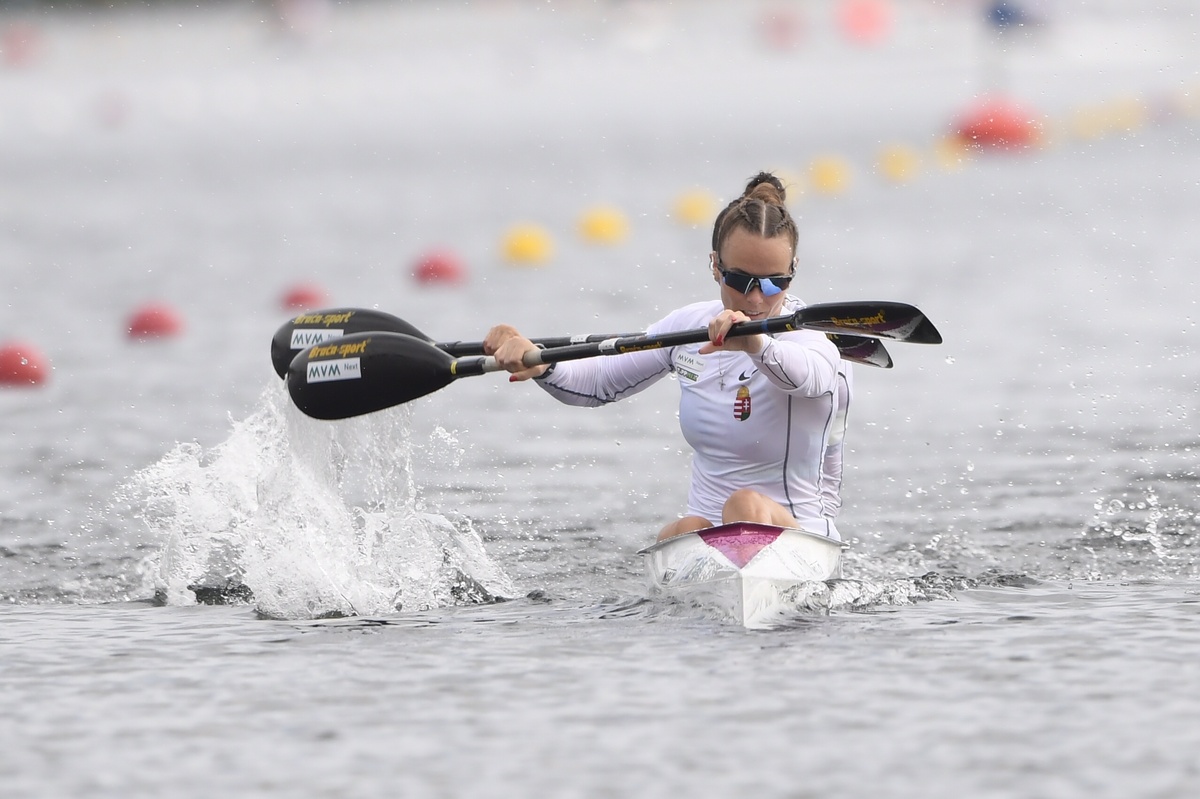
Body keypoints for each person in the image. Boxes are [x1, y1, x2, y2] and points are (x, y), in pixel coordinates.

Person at [484, 172, 853, 542]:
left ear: (793, 272)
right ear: (715, 266)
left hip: (803, 537)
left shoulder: (814, 335)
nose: (756, 299)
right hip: (710, 535)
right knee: (681, 531)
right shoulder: (689, 326)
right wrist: (542, 363)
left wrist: (755, 344)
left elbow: (812, 379)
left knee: (744, 505)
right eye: (740, 281)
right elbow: (598, 385)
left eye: (775, 282)